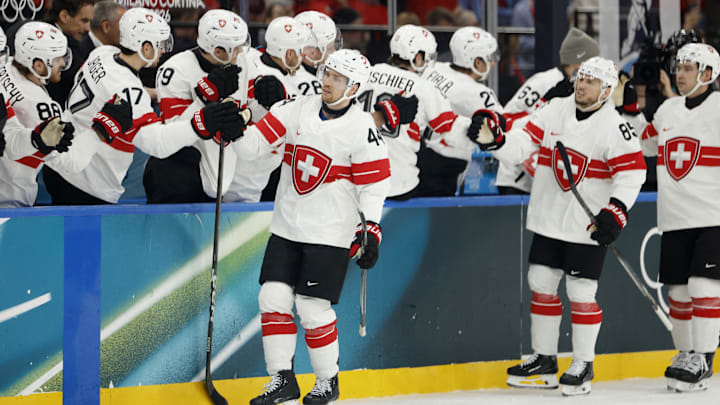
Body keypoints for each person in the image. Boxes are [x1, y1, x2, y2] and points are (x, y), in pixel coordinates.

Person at [234, 49, 391, 405]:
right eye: (327, 73)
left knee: (311, 308)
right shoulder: (297, 108)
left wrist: (371, 230)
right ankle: (281, 379)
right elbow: (253, 146)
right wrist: (233, 127)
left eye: (337, 78)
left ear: (354, 88)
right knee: (271, 298)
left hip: (329, 234)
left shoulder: (361, 128)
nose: (327, 82)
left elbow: (375, 185)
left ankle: (327, 381)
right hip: (287, 228)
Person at [482, 56, 646, 396]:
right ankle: (544, 360)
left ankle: (583, 363)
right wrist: (496, 141)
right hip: (548, 218)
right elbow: (519, 145)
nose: (581, 85)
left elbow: (632, 174)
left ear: (607, 90)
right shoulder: (554, 109)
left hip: (585, 225)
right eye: (580, 78)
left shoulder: (615, 127)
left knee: (581, 292)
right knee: (540, 282)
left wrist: (616, 212)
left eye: (591, 81)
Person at [42, 8, 245, 205]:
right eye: (160, 44)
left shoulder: (102, 54)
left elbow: (112, 90)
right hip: (87, 182)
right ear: (145, 47)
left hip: (61, 162)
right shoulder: (128, 90)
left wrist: (151, 93)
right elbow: (157, 144)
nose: (164, 50)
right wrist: (200, 121)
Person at [639, 43, 720, 392]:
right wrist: (628, 110)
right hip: (674, 218)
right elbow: (643, 145)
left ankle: (703, 357)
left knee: (704, 287)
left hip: (713, 216)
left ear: (707, 73)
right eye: (679, 67)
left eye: (688, 67)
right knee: (679, 293)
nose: (679, 73)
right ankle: (686, 353)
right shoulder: (667, 112)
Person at [143, 9, 248, 203]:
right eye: (237, 47)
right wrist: (203, 98)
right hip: (179, 172)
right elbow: (173, 134)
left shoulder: (246, 61)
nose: (243, 51)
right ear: (218, 51)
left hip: (225, 174)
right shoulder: (174, 70)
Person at [358, 24, 471, 200]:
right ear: (417, 58)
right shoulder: (423, 87)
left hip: (359, 180)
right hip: (398, 185)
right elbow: (447, 128)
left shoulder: (365, 73)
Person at [498, 27, 599, 194]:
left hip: (548, 182)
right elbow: (506, 121)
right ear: (578, 63)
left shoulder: (584, 89)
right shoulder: (544, 82)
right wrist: (544, 105)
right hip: (518, 181)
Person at [418, 26, 502, 196]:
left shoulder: (432, 68)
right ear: (477, 62)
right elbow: (505, 124)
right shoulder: (478, 93)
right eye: (490, 58)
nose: (492, 62)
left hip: (415, 151)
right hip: (444, 162)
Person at [0, 23, 75, 207]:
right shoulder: (43, 107)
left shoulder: (7, 67)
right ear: (38, 64)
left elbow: (10, 136)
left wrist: (36, 139)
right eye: (57, 58)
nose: (63, 63)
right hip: (11, 199)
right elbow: (69, 163)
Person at [43, 0, 96, 106]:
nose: (88, 28)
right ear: (64, 16)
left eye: (90, 22)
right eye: (84, 21)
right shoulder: (46, 41)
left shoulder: (71, 40)